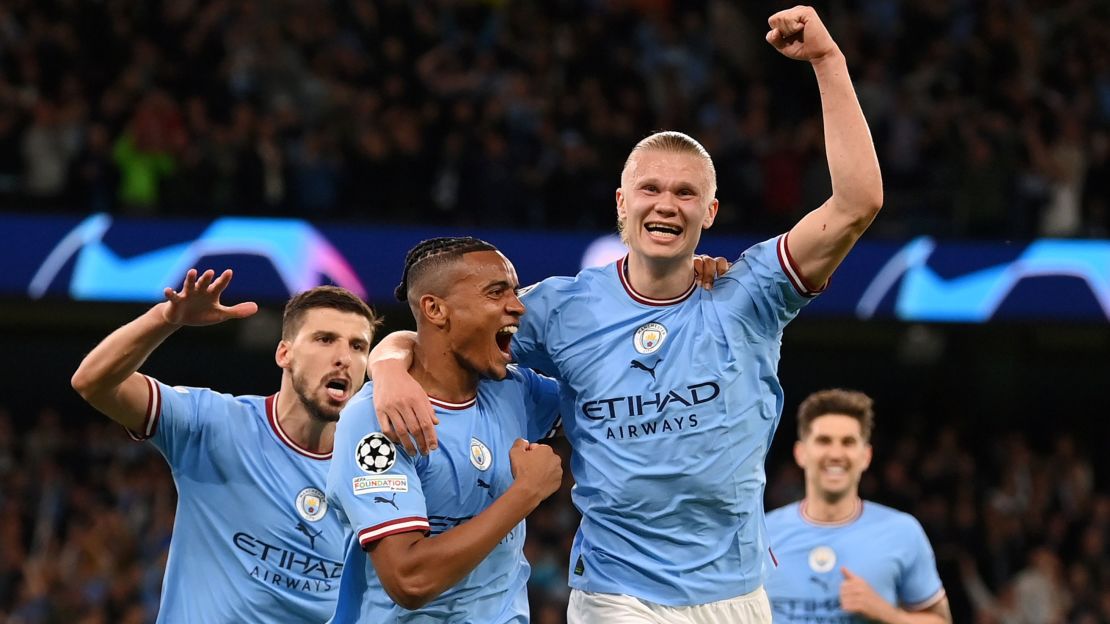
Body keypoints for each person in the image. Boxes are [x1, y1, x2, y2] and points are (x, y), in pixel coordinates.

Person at [370, 7, 883, 622]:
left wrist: (829, 62)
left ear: (710, 211)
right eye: (651, 189)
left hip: (737, 594)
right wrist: (389, 363)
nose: (666, 204)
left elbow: (858, 202)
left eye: (686, 193)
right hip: (617, 594)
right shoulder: (560, 307)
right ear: (622, 202)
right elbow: (444, 333)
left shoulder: (751, 293)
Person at [71, 269, 380, 622]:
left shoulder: (374, 472)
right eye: (325, 339)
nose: (344, 357)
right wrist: (166, 317)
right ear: (285, 353)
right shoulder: (212, 423)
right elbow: (93, 382)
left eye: (358, 346)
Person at [325, 236, 564, 622]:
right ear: (435, 309)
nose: (517, 306)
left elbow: (612, 403)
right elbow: (409, 581)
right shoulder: (376, 419)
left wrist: (686, 292)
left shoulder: (514, 390)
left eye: (515, 292)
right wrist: (525, 494)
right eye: (496, 292)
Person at [764, 389, 950, 623]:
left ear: (866, 456)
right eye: (824, 441)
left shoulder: (902, 531)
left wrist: (887, 614)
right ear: (800, 453)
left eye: (848, 442)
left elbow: (940, 620)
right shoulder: (763, 535)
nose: (835, 453)